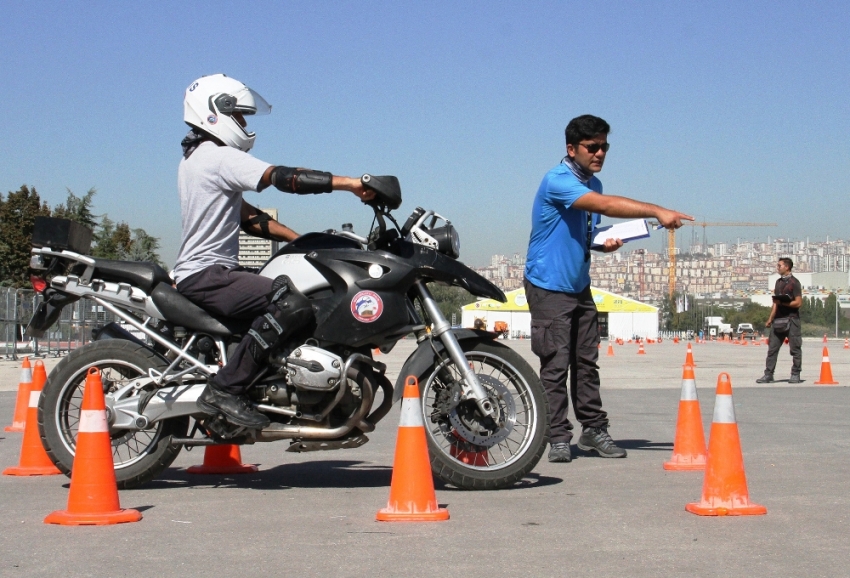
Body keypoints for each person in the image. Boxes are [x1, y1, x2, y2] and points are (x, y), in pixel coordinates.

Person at [172, 74, 374, 430]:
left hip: (208, 274)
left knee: (287, 300)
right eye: (240, 115)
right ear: (214, 113)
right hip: (208, 275)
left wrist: (302, 243)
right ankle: (224, 390)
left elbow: (249, 218)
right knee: (291, 302)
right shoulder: (218, 157)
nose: (246, 124)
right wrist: (352, 184)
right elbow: (283, 178)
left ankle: (258, 389)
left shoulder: (198, 160)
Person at [523, 114, 693, 463]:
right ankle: (556, 436)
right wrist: (657, 210)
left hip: (578, 286)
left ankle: (593, 430)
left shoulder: (592, 184)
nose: (599, 153)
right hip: (548, 286)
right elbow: (603, 206)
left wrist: (602, 243)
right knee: (556, 364)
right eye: (592, 147)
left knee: (587, 362)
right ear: (571, 149)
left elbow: (587, 230)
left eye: (604, 146)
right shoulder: (558, 180)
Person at [757, 258, 803, 383]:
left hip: (792, 320)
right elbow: (776, 303)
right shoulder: (778, 282)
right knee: (772, 349)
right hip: (778, 320)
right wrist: (770, 319)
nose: (778, 268)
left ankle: (795, 374)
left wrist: (785, 303)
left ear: (787, 267)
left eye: (780, 265)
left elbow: (798, 302)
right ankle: (768, 374)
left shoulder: (794, 283)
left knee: (795, 348)